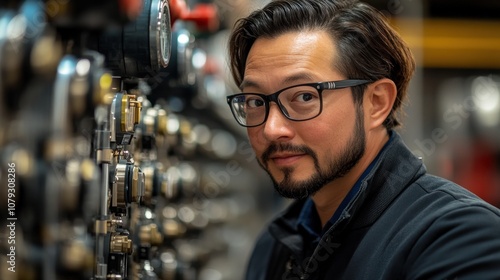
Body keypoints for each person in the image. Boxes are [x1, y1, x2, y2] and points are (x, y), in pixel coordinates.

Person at [225, 0, 500, 279]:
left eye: (304, 96)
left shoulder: (459, 238)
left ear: (376, 102)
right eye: (254, 101)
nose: (272, 129)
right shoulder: (274, 247)